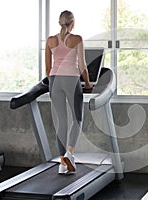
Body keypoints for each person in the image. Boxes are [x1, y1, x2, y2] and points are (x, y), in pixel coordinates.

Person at [45, 10, 93, 174]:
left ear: (60, 23)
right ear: (72, 23)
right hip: (71, 80)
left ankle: (62, 163)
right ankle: (70, 153)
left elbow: (47, 68)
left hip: (54, 80)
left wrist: (53, 81)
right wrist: (87, 83)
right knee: (77, 118)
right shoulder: (77, 39)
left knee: (62, 121)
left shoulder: (51, 40)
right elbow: (82, 66)